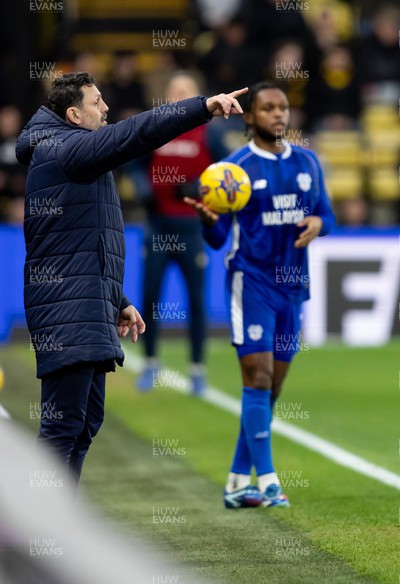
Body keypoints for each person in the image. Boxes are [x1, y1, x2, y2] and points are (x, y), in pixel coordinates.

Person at [15, 72, 247, 485]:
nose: (106, 109)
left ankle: (59, 525)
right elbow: (134, 134)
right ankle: (39, 537)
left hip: (83, 302)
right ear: (73, 114)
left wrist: (116, 298)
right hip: (67, 311)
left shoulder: (68, 150)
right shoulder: (67, 149)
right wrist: (202, 107)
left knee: (84, 423)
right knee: (62, 428)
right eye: (97, 102)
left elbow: (78, 242)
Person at [185, 82, 335, 508]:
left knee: (272, 390)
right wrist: (209, 221)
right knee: (258, 378)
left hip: (293, 288)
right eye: (268, 108)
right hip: (251, 282)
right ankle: (268, 481)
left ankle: (236, 481)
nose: (278, 114)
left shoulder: (307, 162)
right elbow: (216, 240)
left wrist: (319, 226)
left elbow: (327, 212)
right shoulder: (234, 170)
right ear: (249, 117)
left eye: (283, 108)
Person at [133, 72, 229, 395]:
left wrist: (201, 188)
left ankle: (197, 368)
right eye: (175, 91)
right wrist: (144, 188)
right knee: (149, 295)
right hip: (158, 226)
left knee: (197, 301)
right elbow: (132, 162)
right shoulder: (155, 128)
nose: (180, 96)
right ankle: (149, 363)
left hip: (191, 228)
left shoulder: (209, 134)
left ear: (196, 96)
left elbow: (227, 173)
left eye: (187, 91)